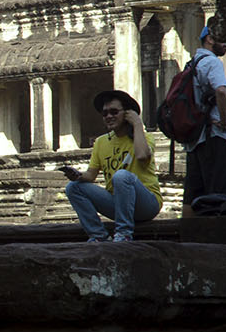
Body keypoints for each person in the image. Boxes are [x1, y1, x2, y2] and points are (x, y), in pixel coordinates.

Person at [62, 89, 160, 242]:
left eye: (114, 112)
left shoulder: (144, 137)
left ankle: (123, 233)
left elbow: (142, 156)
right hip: (118, 203)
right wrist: (78, 175)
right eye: (105, 113)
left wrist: (137, 124)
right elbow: (91, 176)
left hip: (146, 204)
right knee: (73, 187)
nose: (109, 116)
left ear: (127, 114)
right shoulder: (101, 142)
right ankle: (98, 236)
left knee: (121, 176)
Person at [186, 27, 226, 213]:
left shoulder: (192, 64)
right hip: (214, 138)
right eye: (223, 39)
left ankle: (189, 238)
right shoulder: (212, 62)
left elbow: (203, 105)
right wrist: (225, 122)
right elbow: (220, 91)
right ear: (210, 39)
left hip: (195, 139)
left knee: (194, 196)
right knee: (222, 194)